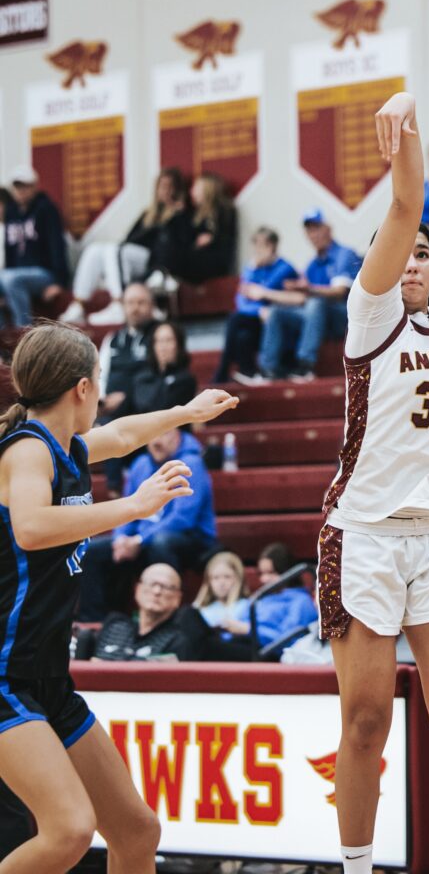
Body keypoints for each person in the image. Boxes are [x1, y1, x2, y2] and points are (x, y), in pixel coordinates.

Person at [317, 73, 429, 874]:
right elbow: (406, 204)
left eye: (425, 254)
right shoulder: (371, 312)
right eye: (406, 252)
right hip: (364, 535)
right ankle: (356, 867)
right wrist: (408, 121)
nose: (415, 260)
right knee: (364, 721)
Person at [0, 321, 237, 872]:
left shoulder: (68, 447)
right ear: (82, 388)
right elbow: (30, 527)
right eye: (100, 381)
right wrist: (135, 505)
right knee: (69, 831)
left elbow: (125, 433)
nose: (102, 395)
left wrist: (186, 412)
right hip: (6, 677)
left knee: (136, 830)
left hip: (47, 678)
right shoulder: (26, 451)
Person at [77, 426, 218, 620]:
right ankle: (94, 622)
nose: (157, 441)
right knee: (92, 551)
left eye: (164, 434)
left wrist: (140, 540)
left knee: (161, 543)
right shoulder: (140, 464)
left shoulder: (190, 463)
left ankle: (167, 619)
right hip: (144, 540)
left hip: (191, 542)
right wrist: (121, 540)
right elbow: (128, 506)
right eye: (153, 435)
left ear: (177, 435)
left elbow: (183, 519)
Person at [59, 167, 189, 327]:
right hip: (131, 258)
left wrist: (176, 213)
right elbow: (130, 238)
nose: (165, 191)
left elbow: (176, 247)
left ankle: (119, 303)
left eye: (170, 187)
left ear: (177, 190)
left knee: (114, 250)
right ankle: (78, 305)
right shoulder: (148, 213)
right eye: (162, 186)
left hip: (153, 262)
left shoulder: (180, 215)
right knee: (95, 250)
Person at [256, 211, 361, 382]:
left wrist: (308, 289)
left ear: (328, 229)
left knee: (316, 302)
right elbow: (304, 298)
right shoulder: (312, 265)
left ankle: (305, 365)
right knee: (276, 312)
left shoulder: (344, 254)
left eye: (317, 228)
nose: (313, 234)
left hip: (346, 318)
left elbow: (339, 292)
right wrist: (294, 291)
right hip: (319, 319)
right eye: (309, 230)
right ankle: (268, 369)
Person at [213, 227, 298, 383]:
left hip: (276, 323)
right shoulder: (253, 267)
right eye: (256, 246)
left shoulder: (284, 268)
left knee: (235, 319)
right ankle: (249, 372)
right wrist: (258, 308)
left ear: (271, 246)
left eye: (261, 245)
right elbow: (241, 300)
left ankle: (223, 370)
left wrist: (256, 290)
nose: (257, 251)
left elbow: (263, 291)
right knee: (241, 334)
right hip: (257, 318)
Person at [96, 282, 157, 494]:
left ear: (152, 306)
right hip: (111, 410)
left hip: (144, 406)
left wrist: (127, 397)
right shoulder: (112, 339)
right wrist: (101, 401)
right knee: (106, 424)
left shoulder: (159, 335)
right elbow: (99, 374)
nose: (135, 308)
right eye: (130, 303)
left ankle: (121, 487)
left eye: (141, 302)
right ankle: (114, 489)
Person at [0, 164, 69, 328]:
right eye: (17, 187)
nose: (21, 191)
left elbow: (57, 245)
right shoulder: (11, 213)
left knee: (11, 279)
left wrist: (59, 282)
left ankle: (24, 330)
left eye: (25, 186)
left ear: (34, 187)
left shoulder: (46, 209)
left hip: (43, 273)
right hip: (15, 274)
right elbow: (10, 252)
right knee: (9, 278)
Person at [92, 564, 199, 662]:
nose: (157, 591)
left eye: (166, 587)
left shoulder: (178, 641)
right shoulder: (114, 625)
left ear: (177, 598)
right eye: (152, 584)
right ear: (137, 589)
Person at [149, 171, 236, 287]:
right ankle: (160, 274)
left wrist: (213, 239)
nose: (191, 192)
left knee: (178, 256)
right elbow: (185, 237)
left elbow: (226, 239)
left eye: (195, 188)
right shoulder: (194, 213)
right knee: (168, 246)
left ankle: (163, 275)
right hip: (193, 256)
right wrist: (179, 214)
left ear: (208, 190)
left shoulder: (224, 210)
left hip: (211, 261)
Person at [130, 321, 197, 415]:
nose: (163, 347)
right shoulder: (141, 378)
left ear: (179, 344)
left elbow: (163, 407)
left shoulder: (186, 379)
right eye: (159, 341)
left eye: (168, 340)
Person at [193, 550, 250, 636]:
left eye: (227, 577)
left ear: (238, 579)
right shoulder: (200, 609)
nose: (221, 583)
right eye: (216, 578)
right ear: (208, 582)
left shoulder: (247, 606)